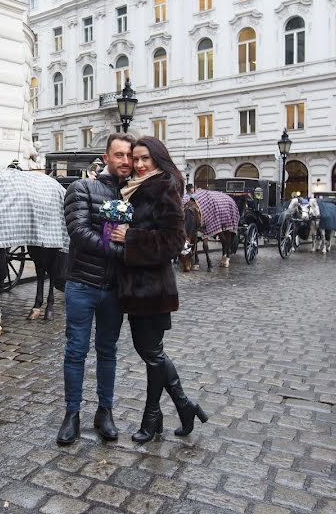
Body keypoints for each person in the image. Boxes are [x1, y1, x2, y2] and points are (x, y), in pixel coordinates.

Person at [110, 137, 208, 443]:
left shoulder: (164, 187)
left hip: (153, 288)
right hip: (136, 287)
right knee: (150, 352)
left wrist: (132, 238)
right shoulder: (134, 187)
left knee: (152, 354)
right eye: (135, 159)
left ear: (157, 160)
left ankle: (152, 418)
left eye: (145, 159)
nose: (138, 164)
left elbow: (174, 241)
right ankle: (183, 406)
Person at [57, 133, 135, 446]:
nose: (126, 162)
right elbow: (79, 232)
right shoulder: (82, 188)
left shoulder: (134, 194)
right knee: (75, 351)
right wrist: (122, 250)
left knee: (107, 351)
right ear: (106, 157)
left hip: (115, 289)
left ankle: (105, 412)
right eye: (119, 155)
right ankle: (71, 414)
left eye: (129, 156)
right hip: (82, 284)